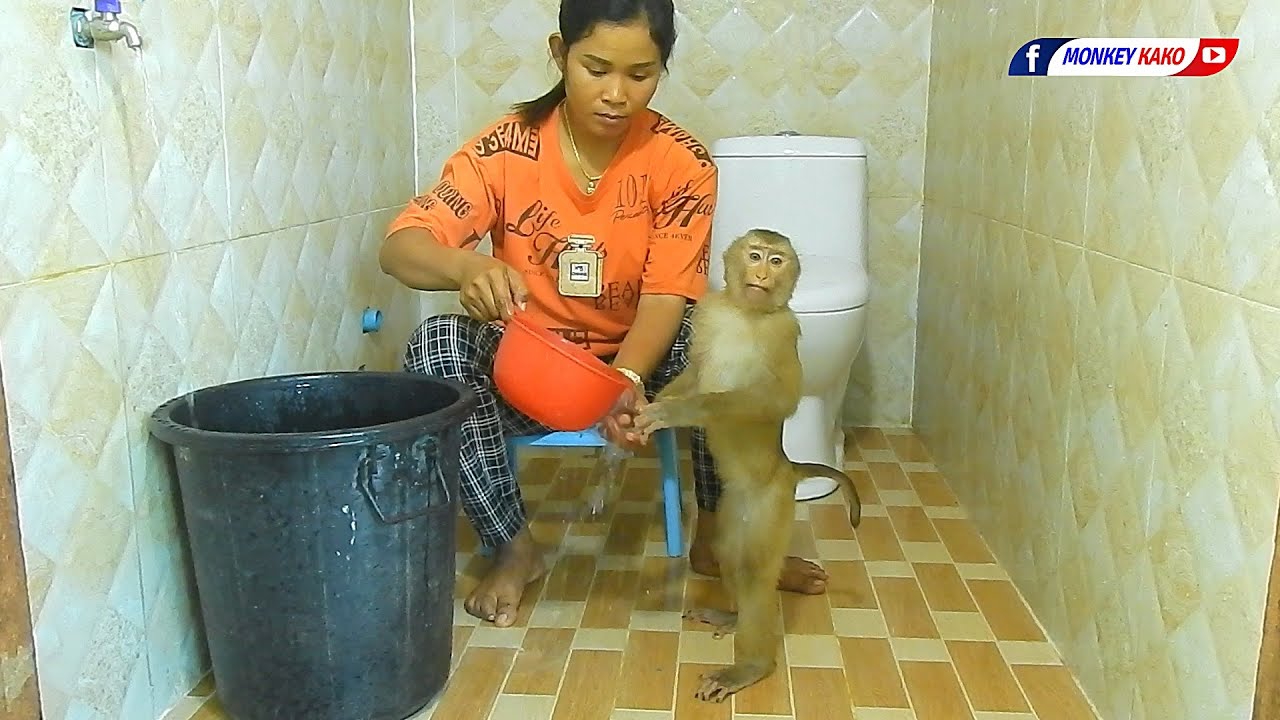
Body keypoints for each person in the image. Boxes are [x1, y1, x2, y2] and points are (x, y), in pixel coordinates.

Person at [378, 0, 829, 628]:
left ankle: (719, 539)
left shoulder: (682, 162)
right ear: (560, 55)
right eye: (595, 69)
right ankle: (513, 546)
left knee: (739, 340)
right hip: (533, 369)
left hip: (640, 371)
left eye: (640, 75)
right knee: (435, 347)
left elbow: (668, 295)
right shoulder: (505, 147)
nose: (617, 95)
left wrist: (628, 378)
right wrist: (464, 267)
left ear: (662, 68)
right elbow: (400, 249)